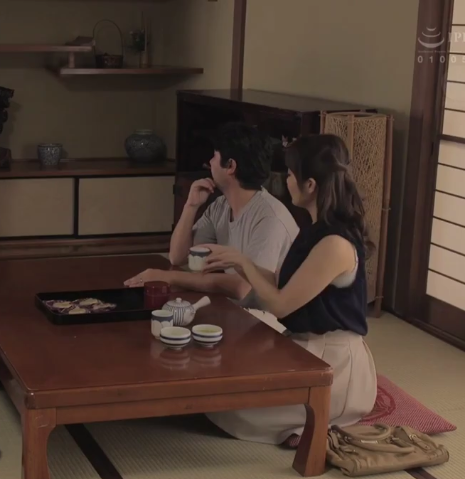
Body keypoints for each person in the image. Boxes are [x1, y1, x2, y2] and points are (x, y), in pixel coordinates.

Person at [197, 133, 377, 445]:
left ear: (310, 185)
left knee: (227, 407)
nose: (286, 181)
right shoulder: (314, 228)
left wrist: (245, 263)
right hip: (304, 349)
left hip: (334, 366)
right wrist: (237, 261)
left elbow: (281, 304)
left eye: (291, 175)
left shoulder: (335, 243)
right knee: (216, 385)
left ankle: (313, 424)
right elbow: (280, 283)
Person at [124, 122, 299, 315]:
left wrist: (167, 277)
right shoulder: (220, 205)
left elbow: (242, 287)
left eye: (214, 156)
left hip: (269, 321)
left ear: (230, 166)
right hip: (238, 312)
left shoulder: (269, 218)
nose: (210, 162)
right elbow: (179, 256)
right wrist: (191, 206)